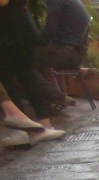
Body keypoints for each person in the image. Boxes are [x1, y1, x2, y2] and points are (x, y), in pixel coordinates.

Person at [0, 0, 66, 145]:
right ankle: (45, 124)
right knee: (27, 78)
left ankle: (20, 131)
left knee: (6, 79)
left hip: (9, 30)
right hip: (25, 27)